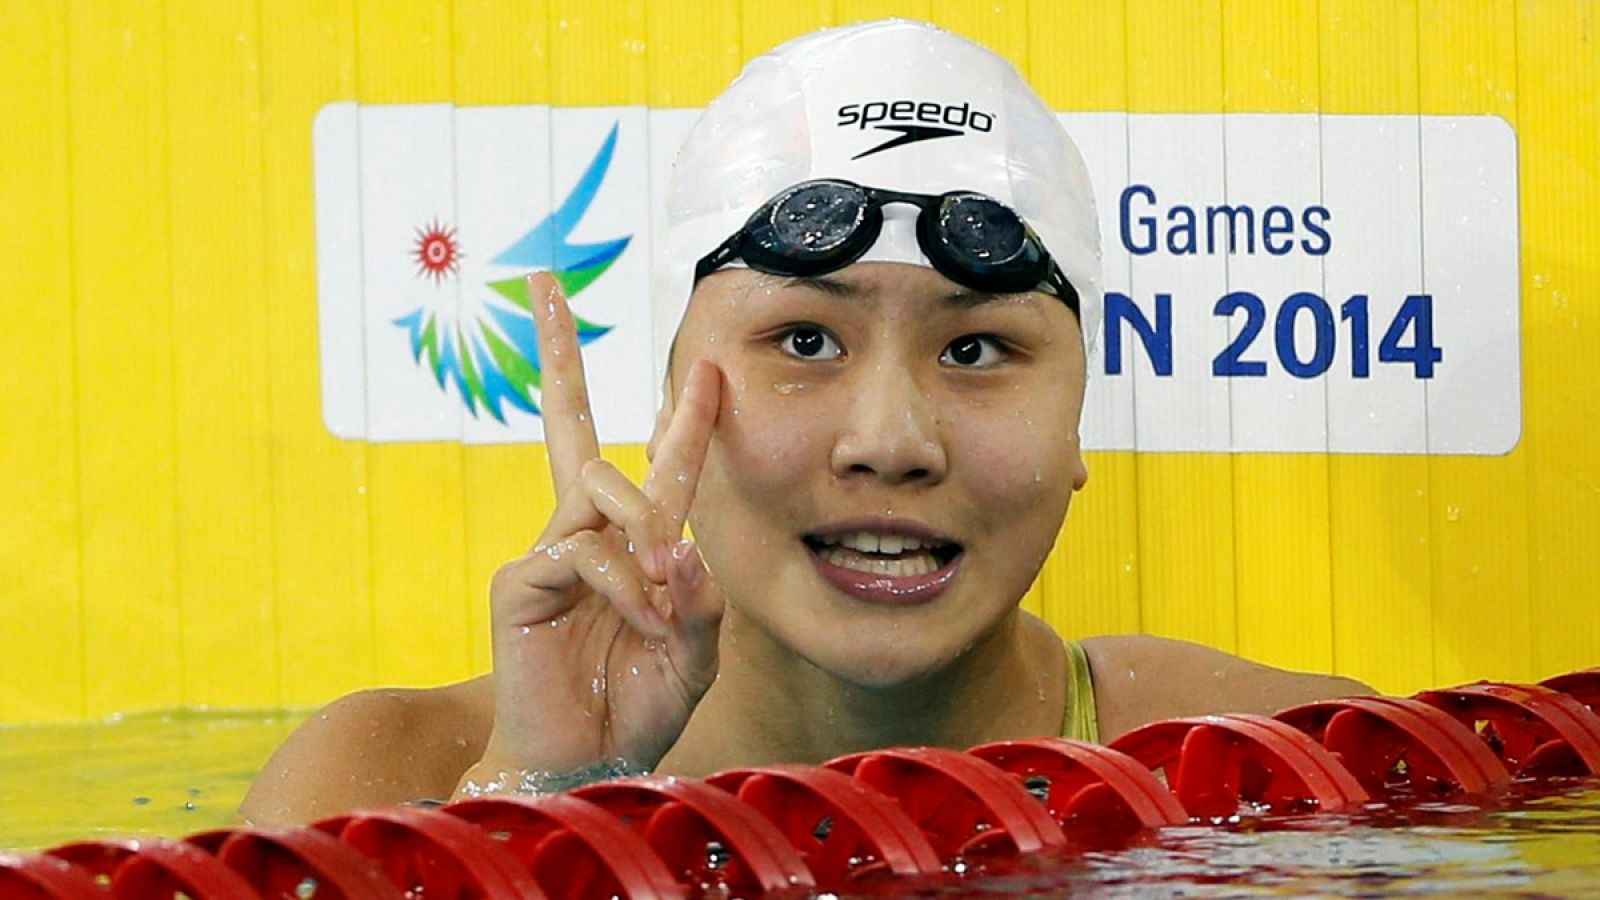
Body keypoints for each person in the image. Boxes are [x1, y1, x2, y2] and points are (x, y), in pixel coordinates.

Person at [242, 19, 1368, 826]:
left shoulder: (1271, 770)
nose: (890, 438)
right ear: (673, 394)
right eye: (805, 342)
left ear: (1078, 420)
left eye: (976, 349)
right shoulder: (386, 788)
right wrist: (539, 801)